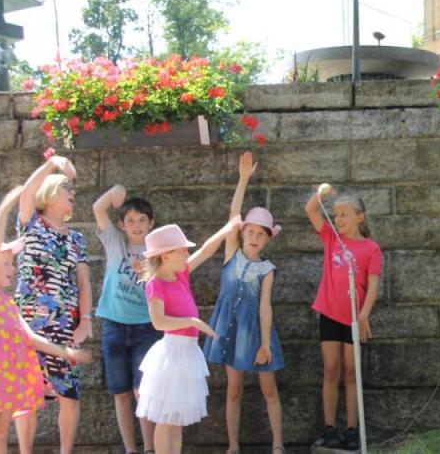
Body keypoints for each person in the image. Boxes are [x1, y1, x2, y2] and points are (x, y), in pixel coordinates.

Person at [0, 186, 91, 454]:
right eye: (6, 262)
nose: (13, 268)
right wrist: (4, 210)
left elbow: (31, 338)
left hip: (10, 370)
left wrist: (67, 353)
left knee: (0, 432)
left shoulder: (9, 303)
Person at [203, 152, 285, 454]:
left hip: (257, 332)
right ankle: (233, 445)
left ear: (268, 239)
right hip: (230, 330)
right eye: (250, 231)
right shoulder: (231, 254)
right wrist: (243, 179)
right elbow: (233, 215)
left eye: (261, 234)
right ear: (242, 233)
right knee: (234, 389)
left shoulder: (267, 269)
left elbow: (265, 307)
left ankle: (278, 444)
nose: (254, 236)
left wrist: (264, 344)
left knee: (269, 389)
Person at [135, 220, 238, 454]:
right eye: (182, 250)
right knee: (166, 418)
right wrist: (192, 322)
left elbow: (205, 251)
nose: (187, 254)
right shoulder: (156, 284)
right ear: (165, 256)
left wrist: (225, 230)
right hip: (172, 354)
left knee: (177, 418)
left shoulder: (180, 275)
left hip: (188, 352)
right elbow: (159, 322)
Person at [14, 156, 92, 454]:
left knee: (69, 394)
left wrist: (85, 320)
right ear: (48, 193)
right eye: (65, 188)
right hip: (29, 323)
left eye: (73, 189)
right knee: (27, 394)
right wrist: (51, 165)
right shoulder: (31, 224)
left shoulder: (77, 239)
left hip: (64, 325)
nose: (72, 192)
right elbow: (26, 193)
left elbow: (84, 282)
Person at [304, 186, 382, 451]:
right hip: (329, 314)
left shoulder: (371, 249)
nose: (338, 219)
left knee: (351, 373)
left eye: (344, 214)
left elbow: (373, 285)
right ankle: (329, 429)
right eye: (336, 214)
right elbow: (310, 209)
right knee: (331, 370)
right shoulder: (330, 237)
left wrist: (363, 315)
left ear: (360, 217)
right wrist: (322, 193)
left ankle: (351, 429)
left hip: (353, 320)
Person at [92, 185, 160, 454]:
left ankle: (150, 449)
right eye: (130, 220)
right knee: (120, 392)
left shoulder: (158, 252)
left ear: (151, 223)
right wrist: (115, 192)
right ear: (121, 225)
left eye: (142, 220)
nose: (136, 225)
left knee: (143, 391)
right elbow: (98, 209)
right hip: (114, 326)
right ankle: (130, 449)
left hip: (146, 327)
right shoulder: (114, 242)